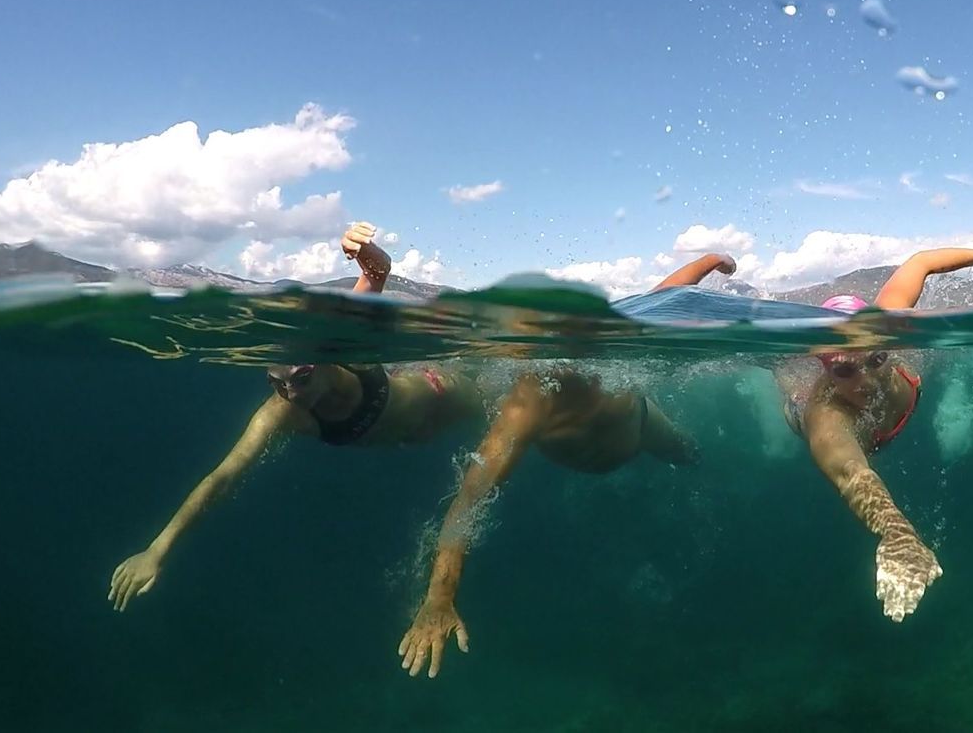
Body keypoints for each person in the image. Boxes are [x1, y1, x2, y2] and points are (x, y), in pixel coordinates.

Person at [108, 221, 487, 611]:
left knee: (499, 418)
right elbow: (221, 478)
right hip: (409, 440)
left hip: (444, 396)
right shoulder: (282, 413)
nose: (289, 393)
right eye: (275, 381)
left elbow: (378, 272)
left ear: (322, 361)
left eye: (301, 379)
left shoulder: (340, 342)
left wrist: (361, 249)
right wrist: (157, 550)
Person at [395, 254, 735, 678]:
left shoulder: (617, 342)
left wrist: (709, 261)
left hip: (643, 425)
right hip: (590, 453)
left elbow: (662, 299)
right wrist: (439, 598)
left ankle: (723, 492)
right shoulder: (529, 403)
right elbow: (469, 500)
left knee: (691, 455)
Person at [779, 244, 973, 622]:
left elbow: (921, 262)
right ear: (828, 371)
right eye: (845, 371)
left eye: (876, 359)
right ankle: (781, 375)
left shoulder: (893, 326)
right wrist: (898, 534)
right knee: (792, 390)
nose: (867, 379)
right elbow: (852, 474)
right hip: (803, 410)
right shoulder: (826, 417)